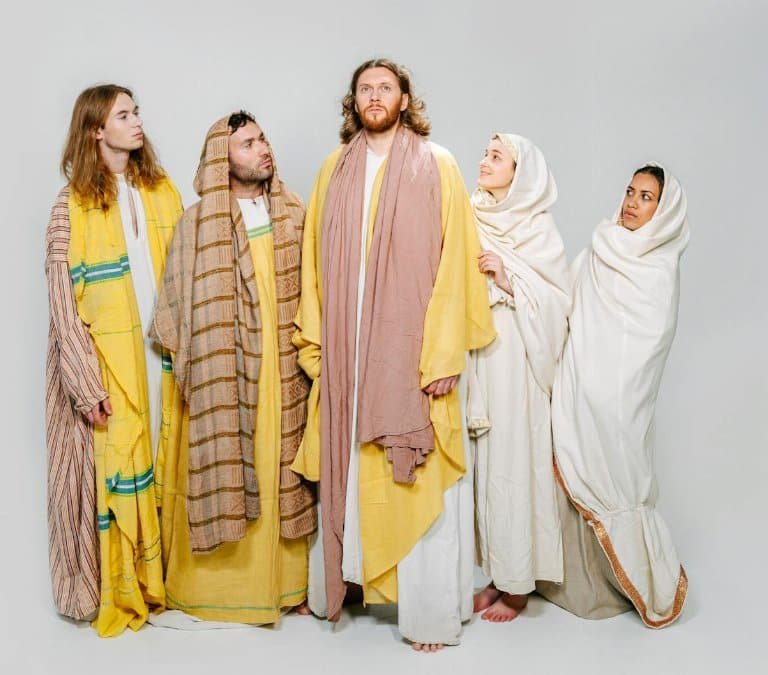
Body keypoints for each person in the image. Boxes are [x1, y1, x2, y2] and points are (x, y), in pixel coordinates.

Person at [290, 58, 495, 651]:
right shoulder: (335, 169)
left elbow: (456, 264)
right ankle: (351, 583)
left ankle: (429, 613)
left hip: (412, 353)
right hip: (351, 352)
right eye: (364, 89)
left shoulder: (438, 164)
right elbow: (312, 263)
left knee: (416, 469)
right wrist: (321, 345)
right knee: (354, 467)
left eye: (385, 88)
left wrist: (443, 354)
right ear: (353, 103)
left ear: (405, 99)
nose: (374, 96)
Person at [150, 111, 317, 625]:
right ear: (223, 159)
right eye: (246, 144)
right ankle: (218, 595)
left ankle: (290, 587)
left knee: (282, 465)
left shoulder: (293, 210)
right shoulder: (199, 222)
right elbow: (175, 307)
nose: (262, 149)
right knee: (228, 461)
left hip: (286, 369)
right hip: (226, 372)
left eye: (262, 139)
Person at [43, 84, 184, 637]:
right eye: (124, 115)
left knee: (162, 456)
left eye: (137, 112)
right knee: (115, 469)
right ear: (96, 130)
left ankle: (163, 582)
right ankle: (122, 588)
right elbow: (61, 305)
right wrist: (85, 384)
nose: (136, 121)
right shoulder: (69, 206)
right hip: (107, 370)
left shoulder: (160, 188)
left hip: (159, 359)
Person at [536, 164, 690, 628]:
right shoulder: (601, 246)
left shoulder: (659, 270)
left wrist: (610, 388)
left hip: (621, 401)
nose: (631, 203)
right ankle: (578, 586)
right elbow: (565, 299)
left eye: (646, 197)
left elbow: (648, 341)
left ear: (664, 213)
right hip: (579, 387)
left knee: (617, 474)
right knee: (571, 466)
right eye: (630, 191)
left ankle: (631, 582)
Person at [464, 133, 571, 622]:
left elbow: (557, 303)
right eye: (485, 154)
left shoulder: (537, 227)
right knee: (486, 464)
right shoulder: (471, 211)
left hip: (520, 361)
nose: (484, 162)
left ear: (520, 171)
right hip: (482, 354)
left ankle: (519, 585)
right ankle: (495, 573)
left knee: (514, 463)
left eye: (496, 157)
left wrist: (507, 276)